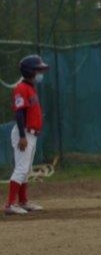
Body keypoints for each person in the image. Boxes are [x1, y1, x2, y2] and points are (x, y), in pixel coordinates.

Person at [4, 54, 50, 216]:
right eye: (38, 70)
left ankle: (23, 201)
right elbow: (19, 113)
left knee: (26, 169)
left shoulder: (30, 88)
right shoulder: (22, 88)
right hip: (24, 133)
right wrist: (22, 136)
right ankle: (10, 204)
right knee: (21, 168)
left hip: (31, 134)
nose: (40, 73)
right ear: (30, 71)